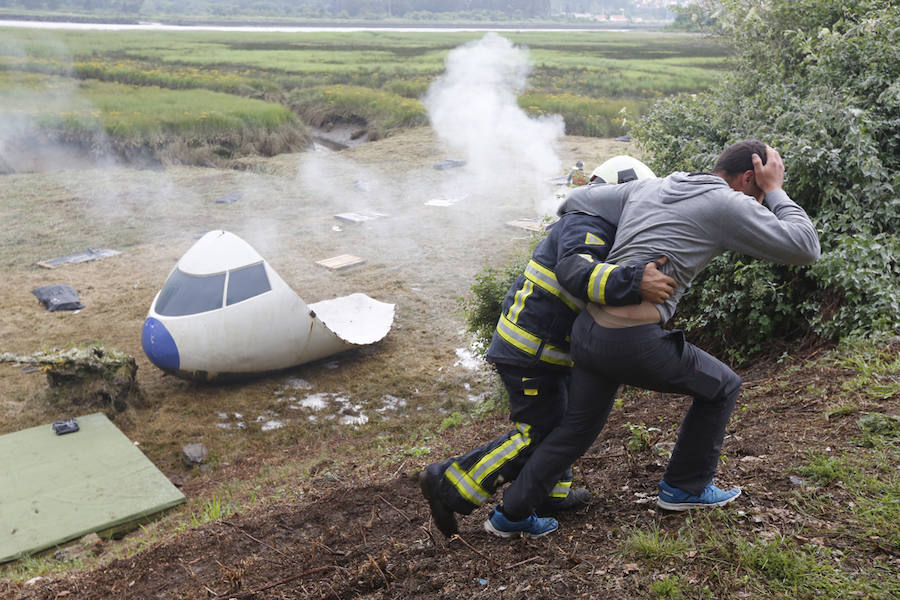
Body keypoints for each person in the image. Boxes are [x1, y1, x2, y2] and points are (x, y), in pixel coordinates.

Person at [483, 141, 820, 538]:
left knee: (576, 429)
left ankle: (511, 515)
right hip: (628, 341)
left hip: (588, 333)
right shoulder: (729, 203)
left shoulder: (656, 185)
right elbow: (805, 247)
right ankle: (684, 487)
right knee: (723, 386)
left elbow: (580, 198)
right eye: (760, 192)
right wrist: (776, 189)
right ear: (749, 178)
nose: (761, 204)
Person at [419, 157, 676, 538]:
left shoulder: (598, 224)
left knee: (564, 420)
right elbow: (578, 275)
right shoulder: (586, 223)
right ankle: (448, 484)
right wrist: (635, 281)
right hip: (531, 352)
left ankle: (550, 493)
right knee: (536, 433)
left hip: (546, 350)